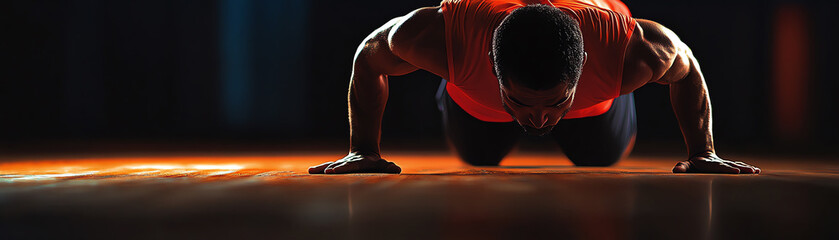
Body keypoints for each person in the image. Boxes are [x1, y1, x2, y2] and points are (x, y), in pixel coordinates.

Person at [309, 0, 760, 174]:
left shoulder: (629, 48)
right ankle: (503, 100)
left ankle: (548, 100)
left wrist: (703, 152)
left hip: (594, 111)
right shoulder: (445, 36)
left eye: (553, 103)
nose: (539, 119)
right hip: (479, 106)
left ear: (584, 64)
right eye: (523, 102)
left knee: (598, 159)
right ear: (490, 61)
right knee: (478, 158)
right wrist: (364, 150)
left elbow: (688, 68)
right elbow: (369, 57)